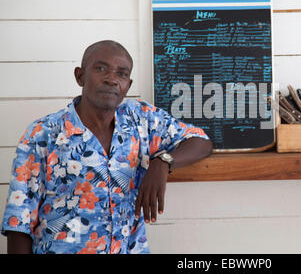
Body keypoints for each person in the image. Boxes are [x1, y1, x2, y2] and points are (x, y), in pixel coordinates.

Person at [1, 40, 213, 254]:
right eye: (101, 68)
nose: (112, 79)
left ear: (127, 86)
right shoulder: (43, 134)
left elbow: (201, 141)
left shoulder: (141, 119)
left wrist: (163, 162)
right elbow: (19, 223)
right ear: (80, 76)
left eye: (121, 74)